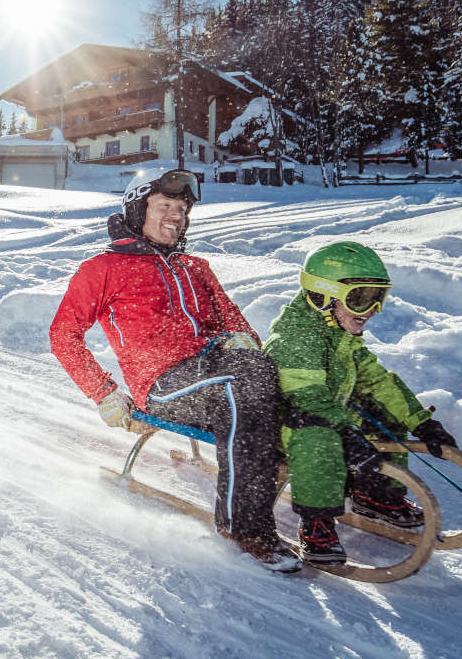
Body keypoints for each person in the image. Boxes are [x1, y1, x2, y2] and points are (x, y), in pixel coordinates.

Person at [49, 166, 299, 572]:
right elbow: (64, 334)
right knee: (244, 380)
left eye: (181, 210)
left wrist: (243, 341)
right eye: (164, 205)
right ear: (136, 210)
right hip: (164, 384)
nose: (175, 216)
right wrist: (104, 392)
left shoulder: (195, 266)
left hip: (218, 371)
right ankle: (246, 528)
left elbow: (234, 320)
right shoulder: (104, 268)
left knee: (274, 374)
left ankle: (343, 488)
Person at [261, 241, 457, 565]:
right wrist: (347, 431)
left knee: (381, 413)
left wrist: (421, 422)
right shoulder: (295, 338)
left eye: (378, 298)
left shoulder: (340, 335)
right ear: (321, 296)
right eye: (360, 298)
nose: (370, 311)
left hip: (326, 415)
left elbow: (377, 381)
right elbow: (308, 399)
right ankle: (316, 523)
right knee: (320, 436)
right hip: (284, 428)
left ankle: (376, 496)